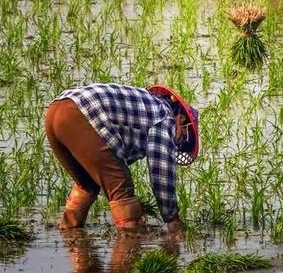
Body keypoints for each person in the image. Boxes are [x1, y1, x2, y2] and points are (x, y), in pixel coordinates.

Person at [44, 83, 199, 236]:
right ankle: (128, 245)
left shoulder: (147, 104)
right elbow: (161, 173)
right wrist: (172, 219)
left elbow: (110, 159)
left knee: (87, 183)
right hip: (82, 111)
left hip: (55, 111)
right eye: (183, 137)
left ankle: (71, 236)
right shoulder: (165, 117)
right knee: (121, 189)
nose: (178, 143)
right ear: (181, 119)